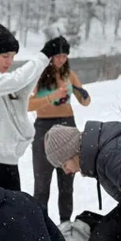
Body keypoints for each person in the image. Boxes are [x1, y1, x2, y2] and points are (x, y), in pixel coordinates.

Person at [0, 24, 62, 190]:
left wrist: (48, 57)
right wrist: (44, 55)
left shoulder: (2, 83)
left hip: (8, 163)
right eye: (5, 56)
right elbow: (16, 80)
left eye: (13, 57)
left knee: (12, 214)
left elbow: (23, 85)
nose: (10, 62)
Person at [28, 37, 91, 224]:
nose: (61, 60)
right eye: (57, 56)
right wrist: (52, 97)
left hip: (67, 125)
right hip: (43, 127)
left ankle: (65, 224)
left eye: (65, 56)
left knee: (66, 183)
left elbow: (86, 102)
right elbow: (28, 105)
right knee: (42, 184)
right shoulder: (38, 76)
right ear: (50, 57)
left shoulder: (69, 74)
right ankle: (41, 226)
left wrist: (80, 92)